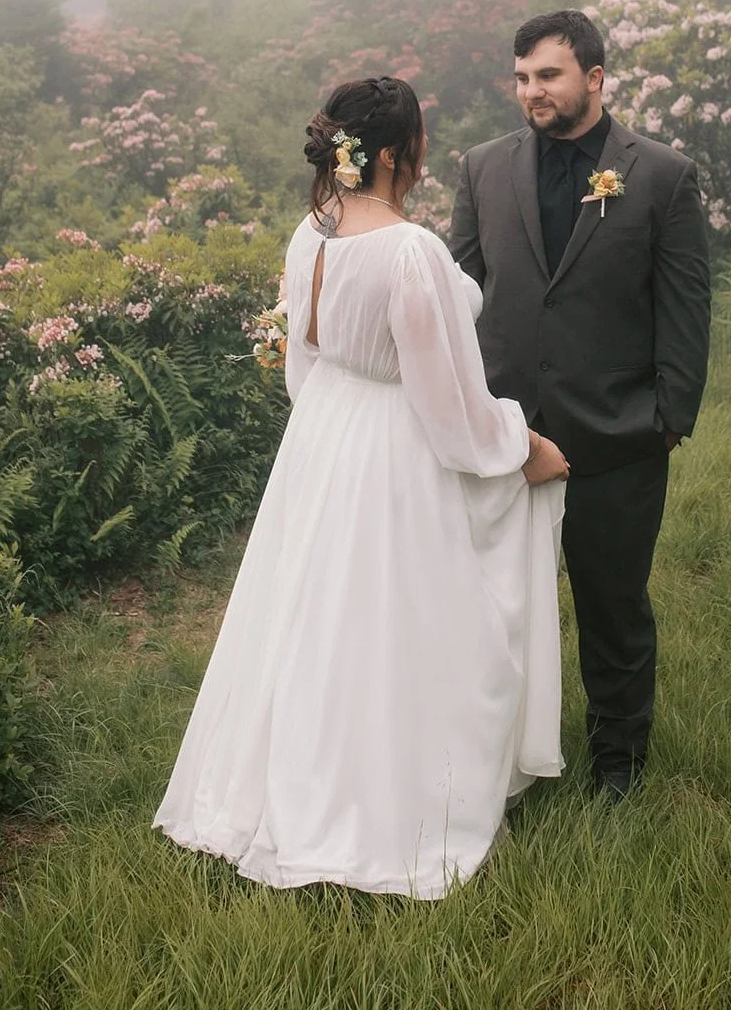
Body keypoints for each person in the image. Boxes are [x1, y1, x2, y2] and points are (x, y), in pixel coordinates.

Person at [154, 75, 569, 899]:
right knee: (396, 616)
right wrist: (521, 445)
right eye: (417, 141)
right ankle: (384, 802)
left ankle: (286, 780)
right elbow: (446, 408)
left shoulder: (310, 235)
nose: (422, 154)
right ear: (391, 153)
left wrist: (331, 436)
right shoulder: (408, 251)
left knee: (314, 617)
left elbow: (303, 366)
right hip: (391, 442)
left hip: (323, 436)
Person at [448, 10, 711, 800]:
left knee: (613, 606)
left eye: (549, 76)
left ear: (595, 79)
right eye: (523, 76)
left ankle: (618, 765)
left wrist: (667, 419)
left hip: (617, 434)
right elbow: (454, 297)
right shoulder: (482, 168)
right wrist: (471, 416)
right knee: (491, 611)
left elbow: (686, 308)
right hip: (505, 436)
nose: (531, 90)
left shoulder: (662, 175)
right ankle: (488, 763)